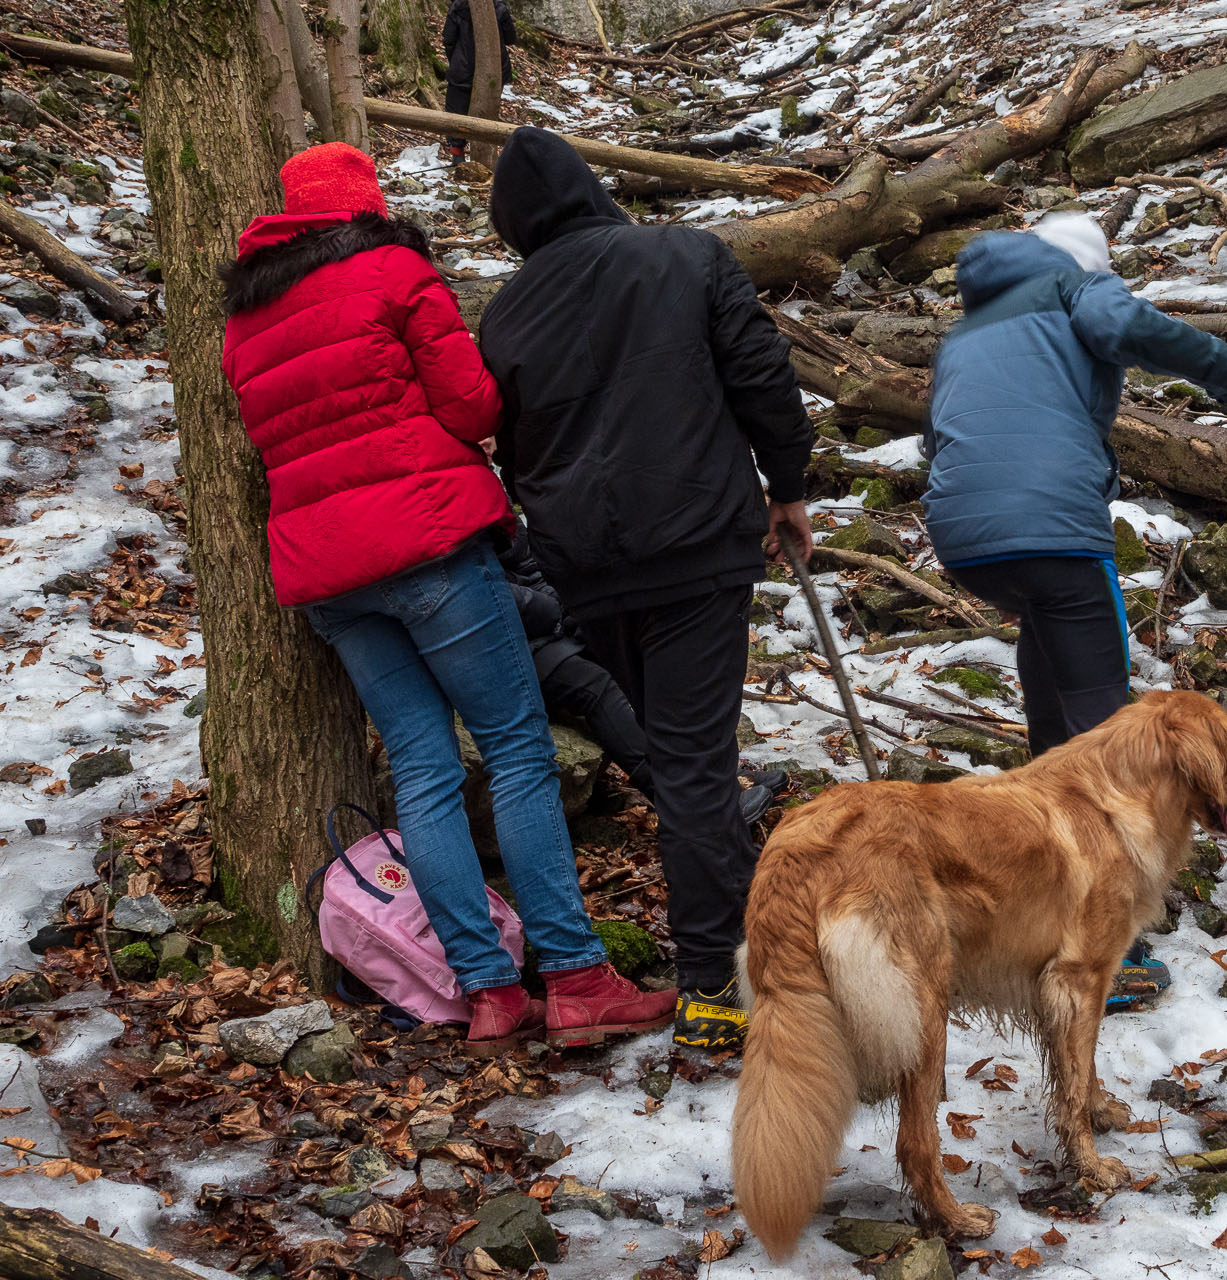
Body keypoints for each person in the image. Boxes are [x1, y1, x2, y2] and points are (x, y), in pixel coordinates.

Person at [219, 141, 672, 1051]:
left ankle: (488, 991)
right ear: (365, 206)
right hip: (426, 542)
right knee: (515, 751)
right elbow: (470, 407)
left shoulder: (245, 317)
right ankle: (579, 978)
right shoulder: (393, 269)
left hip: (327, 575)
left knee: (424, 772)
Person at [478, 126, 815, 1053]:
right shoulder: (685, 253)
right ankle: (718, 975)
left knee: (683, 761)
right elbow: (761, 375)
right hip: (697, 541)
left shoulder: (505, 316)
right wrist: (786, 488)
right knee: (694, 762)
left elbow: (510, 441)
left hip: (588, 567)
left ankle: (748, 930)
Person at [922, 210, 1227, 1009]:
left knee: (1059, 721)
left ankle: (1041, 895)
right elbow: (1124, 320)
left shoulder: (967, 330)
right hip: (1052, 525)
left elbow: (940, 439)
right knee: (1109, 735)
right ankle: (1106, 941)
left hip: (964, 536)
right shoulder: (1075, 286)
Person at [499, 521, 790, 825]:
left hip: (549, 619)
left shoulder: (486, 495)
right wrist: (553, 610)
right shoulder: (455, 505)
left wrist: (571, 608)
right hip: (506, 642)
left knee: (644, 660)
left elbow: (534, 565)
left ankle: (714, 777)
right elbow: (488, 596)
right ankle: (691, 805)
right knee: (596, 686)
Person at [442, 0, 516, 164]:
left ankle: (458, 154)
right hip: (495, 69)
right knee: (487, 110)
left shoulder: (457, 6)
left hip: (462, 69)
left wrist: (455, 60)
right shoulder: (499, 7)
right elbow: (510, 38)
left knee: (456, 110)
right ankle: (484, 154)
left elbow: (448, 39)